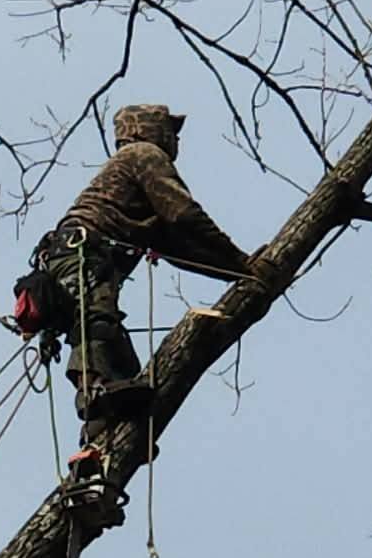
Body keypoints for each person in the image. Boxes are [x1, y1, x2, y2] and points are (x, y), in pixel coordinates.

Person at [29, 103, 260, 425]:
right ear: (150, 129)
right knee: (97, 323)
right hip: (83, 255)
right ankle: (93, 392)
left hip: (72, 260)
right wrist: (243, 263)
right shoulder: (144, 153)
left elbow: (179, 247)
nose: (176, 142)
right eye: (171, 132)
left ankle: (98, 442)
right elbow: (184, 214)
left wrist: (236, 271)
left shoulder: (132, 179)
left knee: (120, 360)